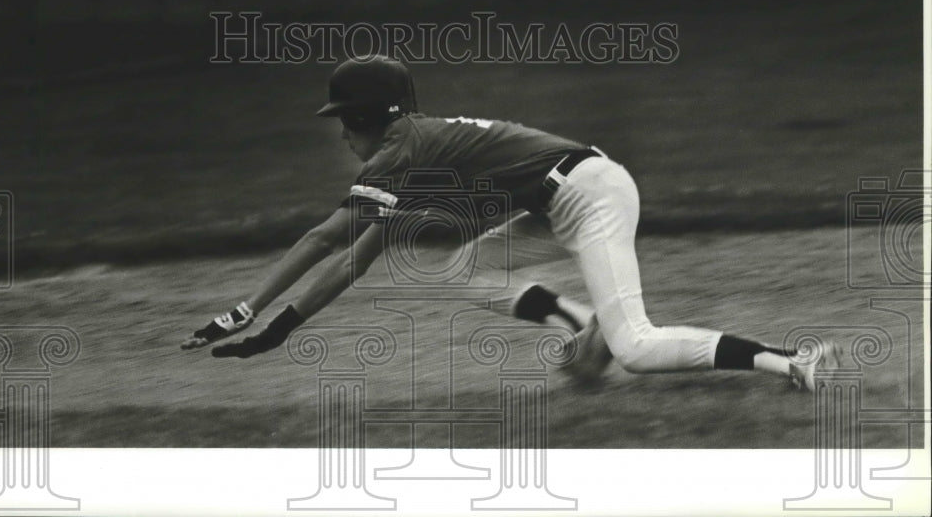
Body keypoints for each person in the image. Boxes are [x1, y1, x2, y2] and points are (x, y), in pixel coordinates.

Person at [182, 55, 840, 391]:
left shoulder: (399, 149)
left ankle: (790, 362)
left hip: (588, 197)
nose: (342, 135)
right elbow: (357, 257)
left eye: (343, 121)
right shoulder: (413, 148)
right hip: (563, 195)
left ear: (362, 120)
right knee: (468, 271)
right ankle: (586, 331)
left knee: (637, 349)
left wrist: (248, 313)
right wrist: (283, 329)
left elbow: (326, 238)